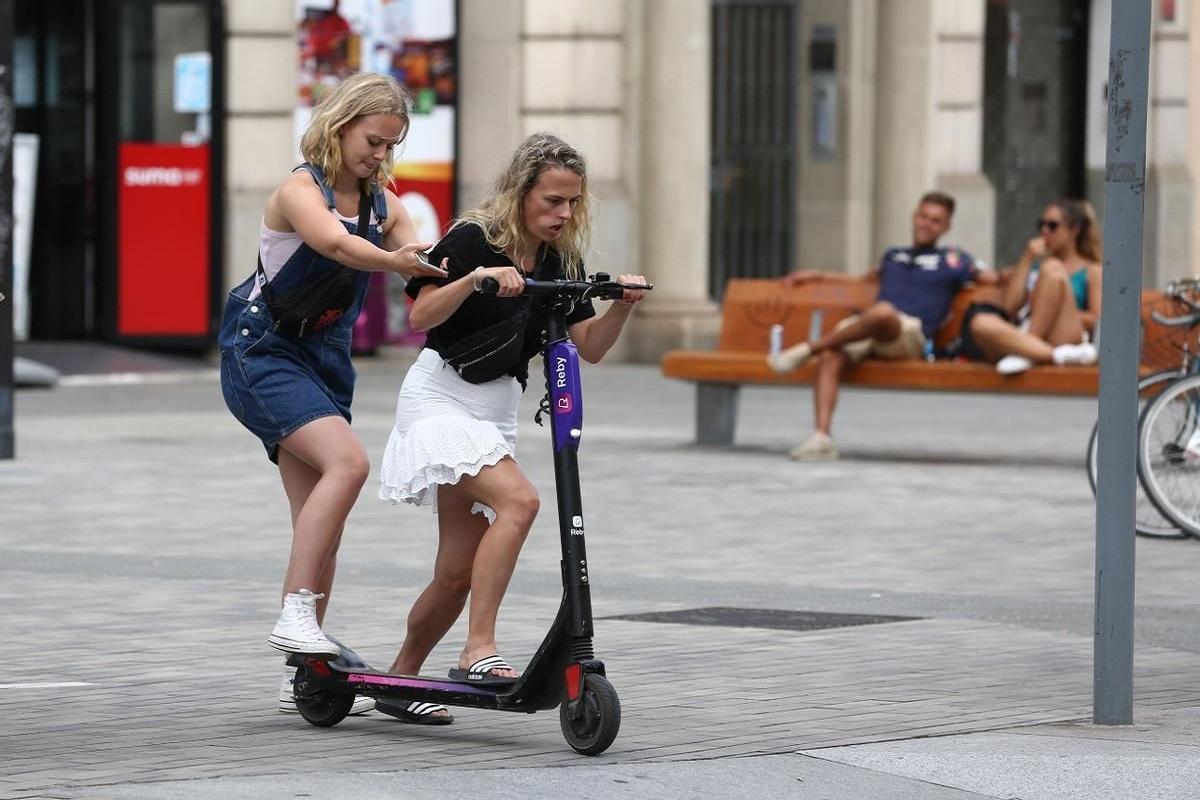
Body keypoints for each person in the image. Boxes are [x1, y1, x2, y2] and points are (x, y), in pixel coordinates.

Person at [375, 133, 648, 725]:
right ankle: (479, 647)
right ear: (523, 191)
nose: (564, 214)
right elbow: (420, 314)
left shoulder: (561, 259)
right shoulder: (473, 238)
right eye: (553, 200)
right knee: (519, 503)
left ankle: (398, 678)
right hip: (441, 395)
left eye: (573, 202)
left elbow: (589, 349)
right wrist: (474, 279)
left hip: (495, 409)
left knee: (453, 574)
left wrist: (621, 304)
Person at [217, 72, 447, 715]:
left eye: (391, 146)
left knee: (321, 525)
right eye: (373, 141)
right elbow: (333, 243)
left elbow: (432, 254)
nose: (380, 156)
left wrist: (476, 269)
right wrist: (399, 262)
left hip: (324, 358)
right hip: (262, 354)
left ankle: (307, 673)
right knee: (348, 463)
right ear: (341, 125)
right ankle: (295, 616)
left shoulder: (383, 202)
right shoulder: (298, 191)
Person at [767, 191, 992, 461]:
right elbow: (862, 281)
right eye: (923, 216)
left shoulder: (954, 260)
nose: (926, 224)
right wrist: (817, 275)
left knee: (883, 312)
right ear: (914, 216)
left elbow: (994, 279)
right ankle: (822, 438)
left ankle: (807, 350)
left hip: (908, 334)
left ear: (946, 227)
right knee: (834, 351)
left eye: (935, 221)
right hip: (871, 327)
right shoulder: (893, 255)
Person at [957, 198, 1101, 375]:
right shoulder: (1035, 267)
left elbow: (1096, 320)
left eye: (1052, 226)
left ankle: (1028, 348)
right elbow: (1009, 307)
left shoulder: (1092, 270)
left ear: (1073, 230)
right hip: (1037, 334)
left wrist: (1048, 306)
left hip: (1065, 332)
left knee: (1052, 268)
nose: (1044, 231)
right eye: (1041, 225)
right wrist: (1027, 258)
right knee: (980, 323)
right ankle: (1047, 354)